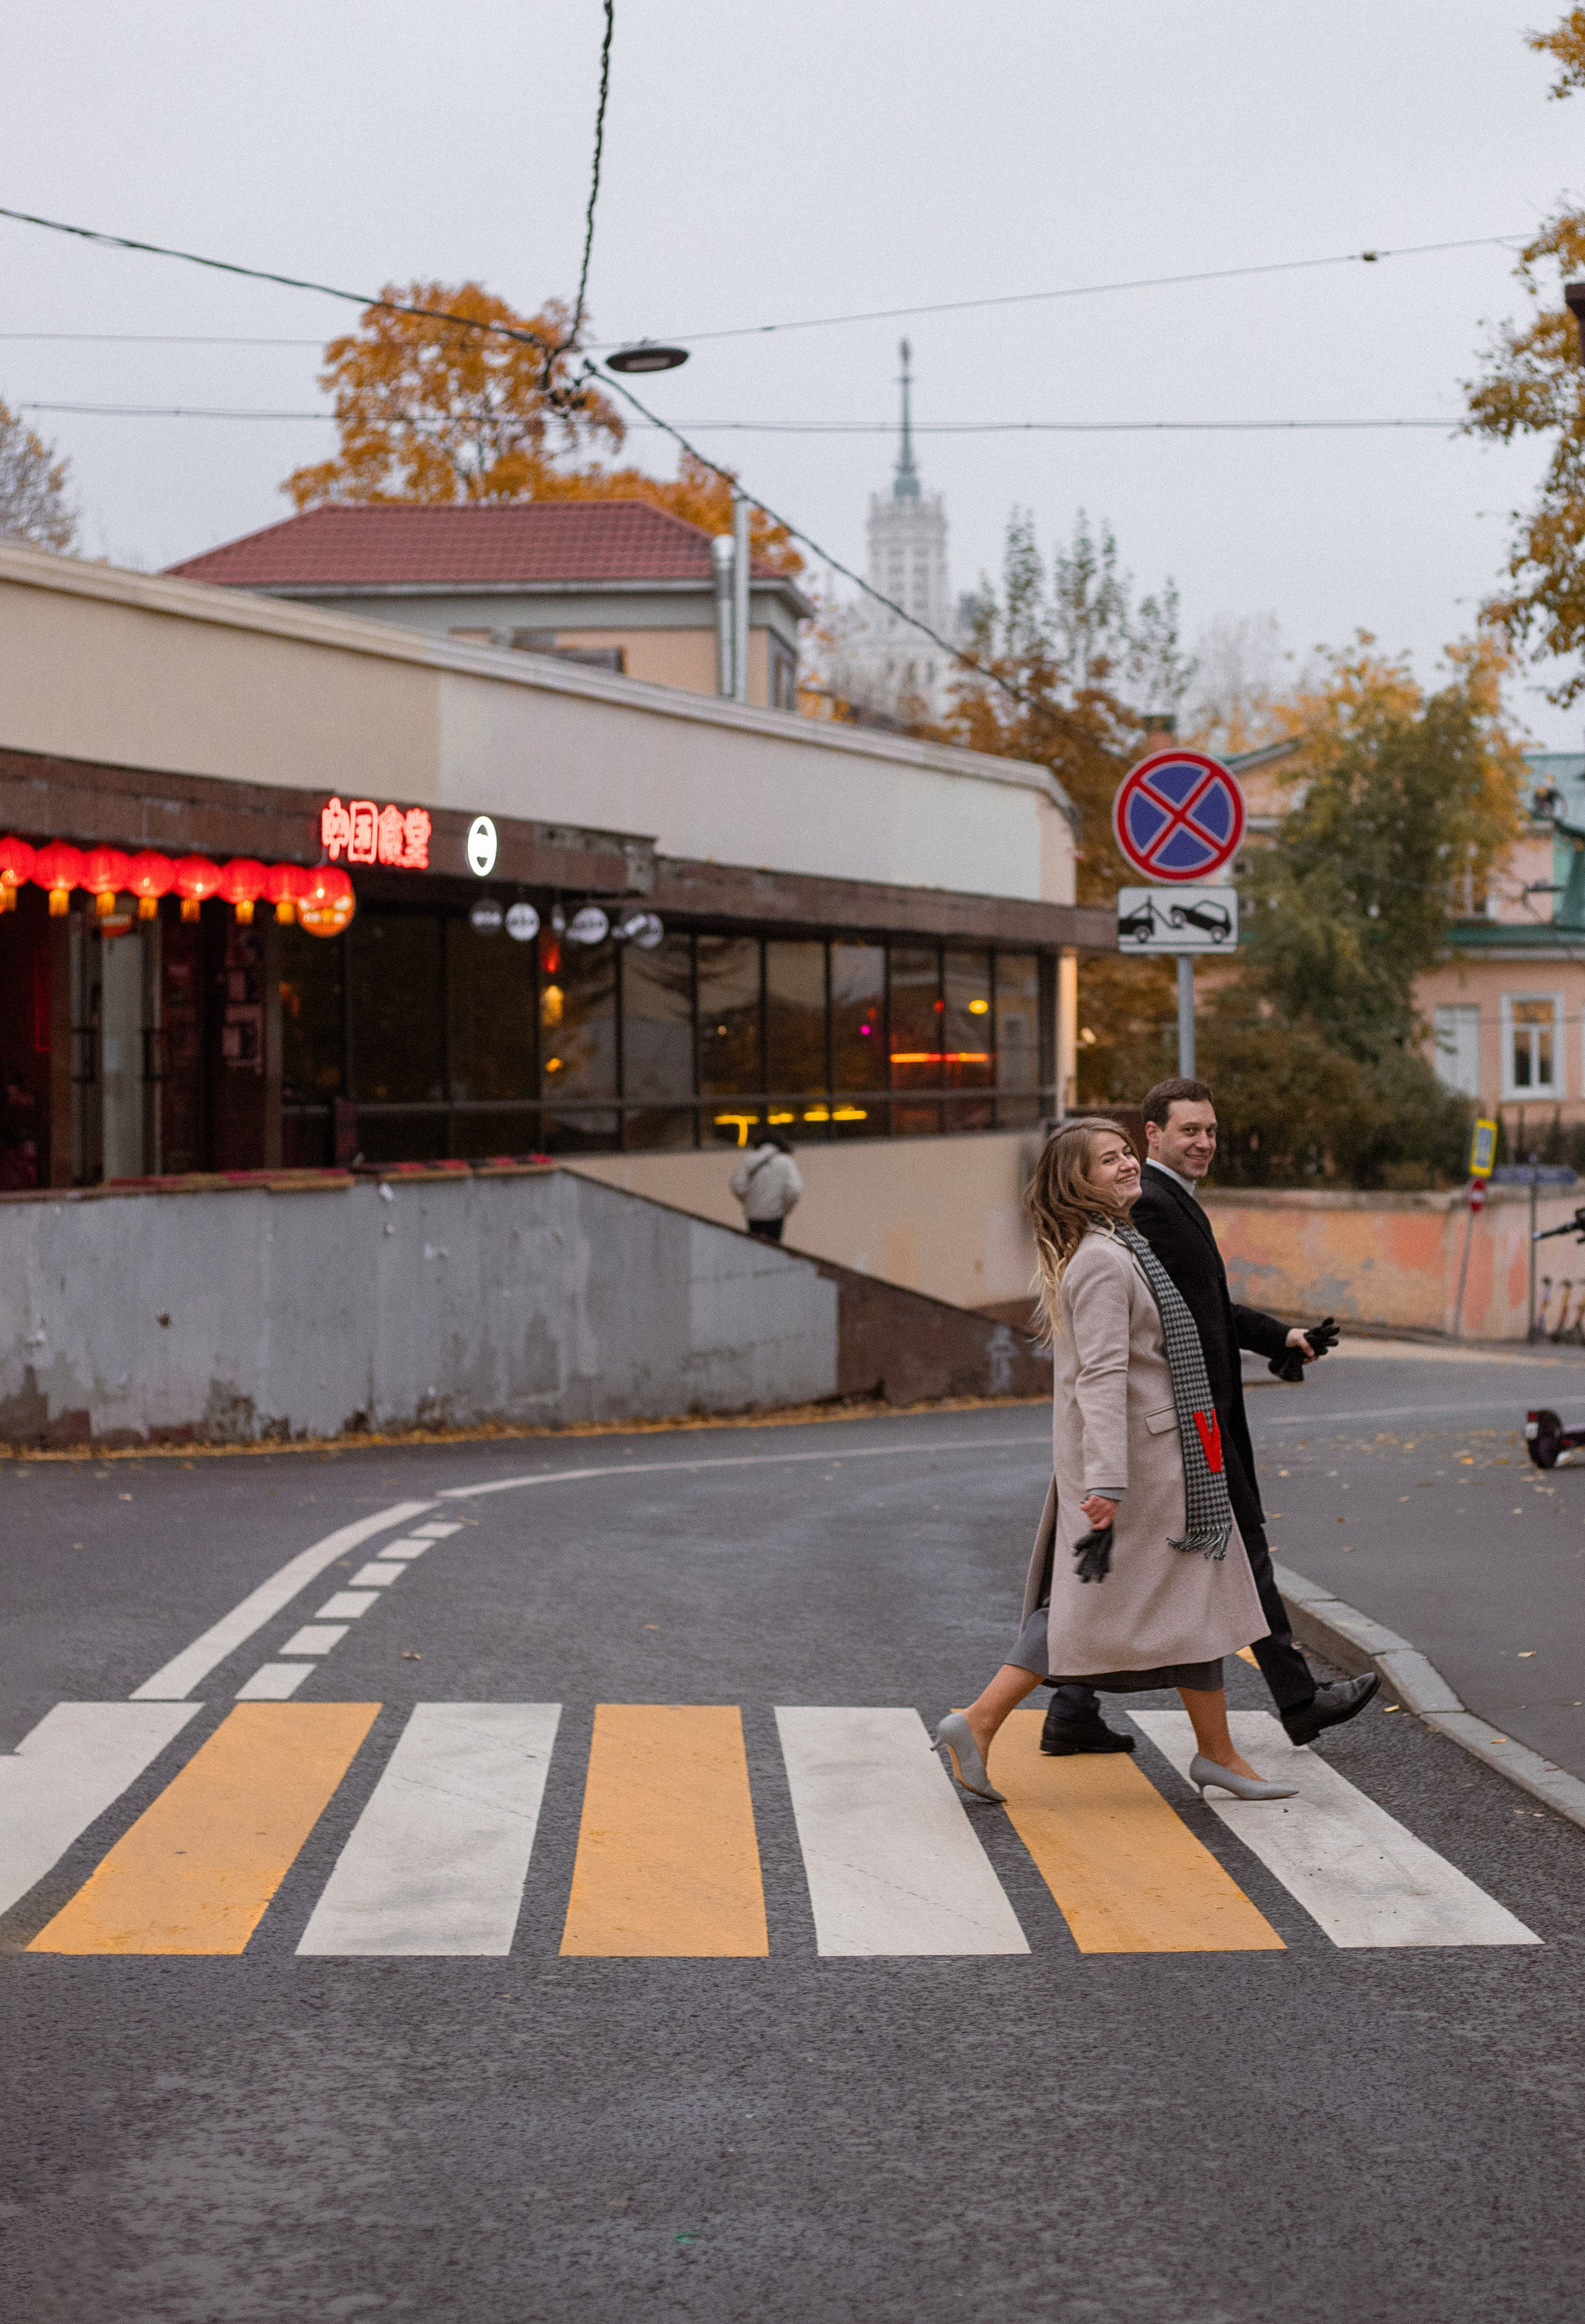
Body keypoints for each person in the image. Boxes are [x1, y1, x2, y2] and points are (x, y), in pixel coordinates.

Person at [935, 1116, 1298, 1807]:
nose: (1129, 1163)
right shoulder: (1103, 1260)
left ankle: (1217, 1752)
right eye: (1109, 1160)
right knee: (1088, 1611)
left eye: (1127, 1152)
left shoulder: (1121, 1246)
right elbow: (1100, 1377)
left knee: (1189, 1602)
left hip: (1164, 1461)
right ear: (1079, 1182)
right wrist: (1105, 1480)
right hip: (1143, 1470)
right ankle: (978, 1720)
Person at [1041, 1077, 1378, 1759]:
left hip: (1188, 1420)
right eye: (1189, 1130)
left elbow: (1203, 1308)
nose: (1204, 1143)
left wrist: (1279, 1338)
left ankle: (1073, 1707)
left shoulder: (1168, 1203)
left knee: (1139, 1574)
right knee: (1229, 1557)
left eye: (1211, 1131)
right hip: (1183, 1425)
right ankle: (1294, 1703)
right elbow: (1131, 1350)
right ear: (1153, 1133)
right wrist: (1112, 1469)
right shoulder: (1149, 1206)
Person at [730, 1132, 802, 1242]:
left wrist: (748, 1202)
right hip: (775, 1215)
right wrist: (785, 1209)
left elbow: (737, 1185)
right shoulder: (786, 1161)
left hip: (753, 1215)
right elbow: (794, 1190)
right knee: (774, 1248)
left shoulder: (748, 1159)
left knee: (754, 1247)